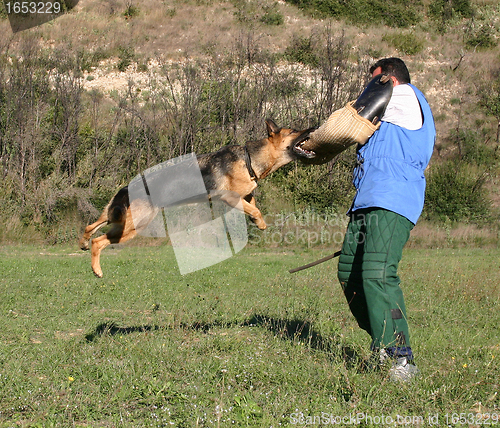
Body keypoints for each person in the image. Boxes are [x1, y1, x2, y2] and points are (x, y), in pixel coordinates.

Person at [337, 58, 436, 381]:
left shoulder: (405, 96)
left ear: (389, 80)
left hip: (392, 201)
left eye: (375, 81)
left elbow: (351, 119)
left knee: (378, 274)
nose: (369, 87)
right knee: (349, 273)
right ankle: (382, 343)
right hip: (367, 201)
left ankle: (400, 357)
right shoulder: (383, 120)